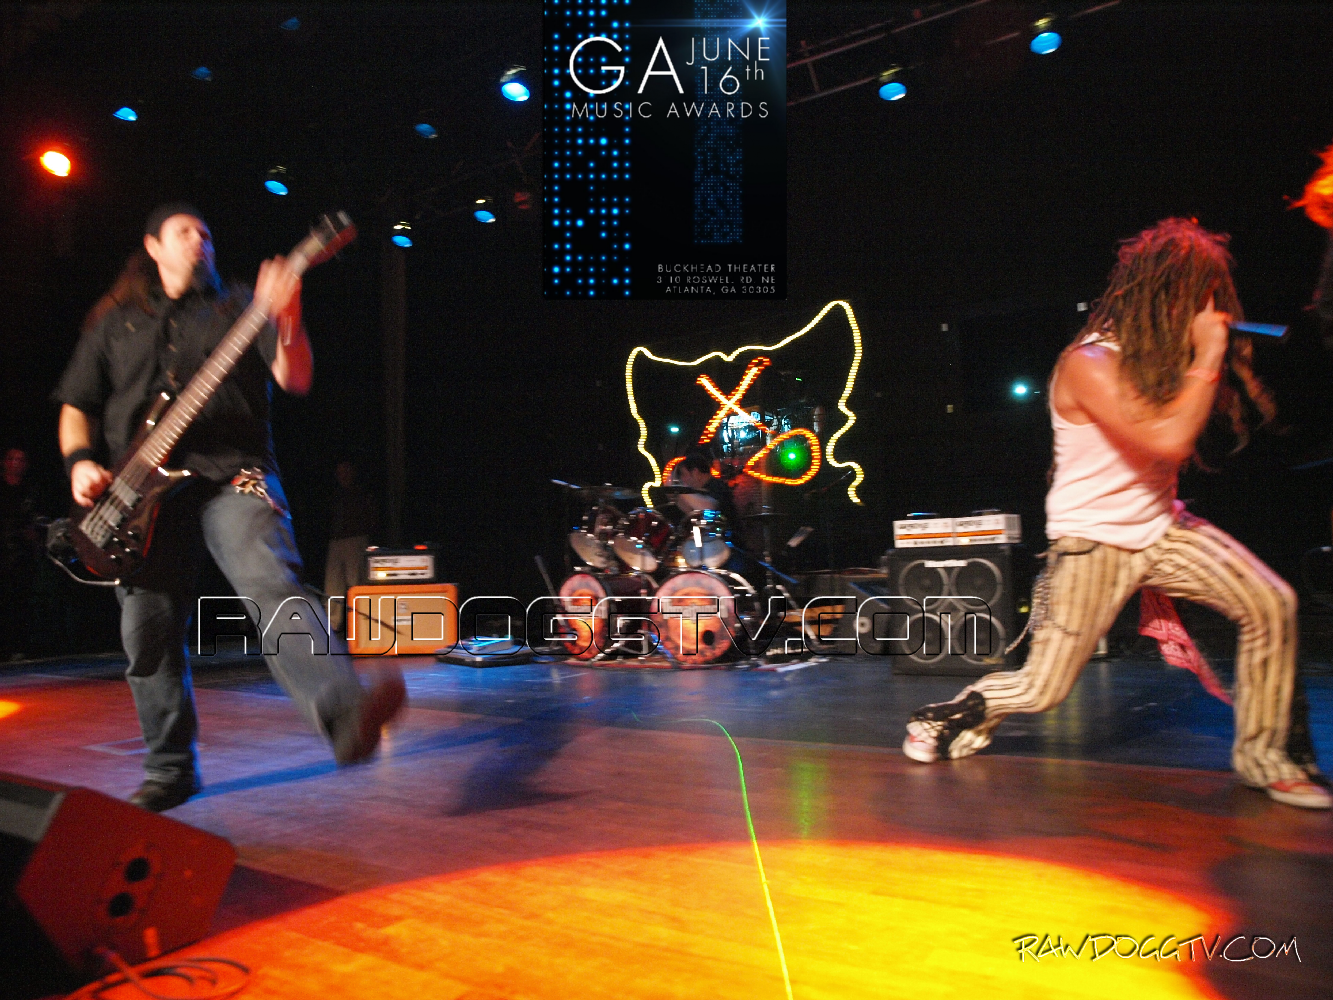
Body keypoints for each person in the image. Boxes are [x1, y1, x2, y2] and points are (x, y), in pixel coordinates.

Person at [902, 218, 1331, 810]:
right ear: (1161, 298)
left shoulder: (1156, 363)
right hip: (1091, 543)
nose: (1209, 313)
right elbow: (1169, 440)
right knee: (1043, 687)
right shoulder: (1089, 361)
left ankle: (1270, 759)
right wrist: (1209, 354)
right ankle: (951, 714)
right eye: (1198, 299)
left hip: (1162, 528)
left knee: (1271, 603)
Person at [53, 203, 405, 812]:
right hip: (138, 498)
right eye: (184, 232)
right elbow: (76, 405)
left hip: (233, 473)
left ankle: (348, 716)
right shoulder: (115, 321)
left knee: (270, 580)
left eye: (207, 233)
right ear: (153, 246)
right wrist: (81, 462)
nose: (200, 240)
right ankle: (170, 769)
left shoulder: (243, 303)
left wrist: (287, 317)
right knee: (147, 630)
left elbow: (295, 378)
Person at [325, 459, 377, 632]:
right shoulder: (335, 494)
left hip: (355, 539)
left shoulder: (360, 493)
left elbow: (371, 517)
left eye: (345, 471)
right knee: (333, 585)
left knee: (356, 582)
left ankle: (363, 625)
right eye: (339, 472)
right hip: (336, 541)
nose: (342, 476)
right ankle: (331, 624)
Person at [0, 447, 38, 661]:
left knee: (20, 600)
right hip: (3, 551)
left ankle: (19, 647)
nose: (16, 463)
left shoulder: (30, 490)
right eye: (12, 459)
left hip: (22, 554)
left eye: (21, 459)